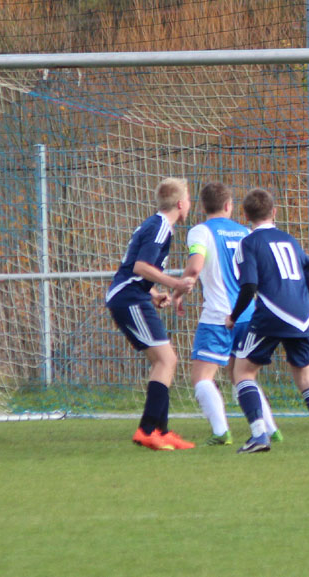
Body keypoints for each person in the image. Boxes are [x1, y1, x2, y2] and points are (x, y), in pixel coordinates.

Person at [226, 188, 309, 453]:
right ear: (274, 212)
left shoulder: (249, 243)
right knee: (305, 376)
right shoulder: (290, 239)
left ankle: (258, 435)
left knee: (242, 371)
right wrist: (304, 305)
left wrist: (233, 316)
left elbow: (250, 284)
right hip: (302, 315)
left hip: (272, 313)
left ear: (245, 215)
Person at [177, 183, 282, 446]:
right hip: (248, 314)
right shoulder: (246, 232)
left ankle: (221, 431)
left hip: (218, 316)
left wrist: (180, 289)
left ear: (203, 206)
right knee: (243, 376)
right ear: (228, 206)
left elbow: (195, 266)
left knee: (202, 377)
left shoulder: (200, 231)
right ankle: (270, 428)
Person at [105, 177, 197, 451]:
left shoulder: (156, 225)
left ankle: (161, 430)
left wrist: (154, 293)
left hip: (134, 296)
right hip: (128, 299)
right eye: (188, 200)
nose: (189, 204)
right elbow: (141, 267)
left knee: (164, 361)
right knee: (167, 360)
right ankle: (147, 430)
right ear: (181, 204)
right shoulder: (160, 227)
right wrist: (176, 284)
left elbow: (135, 269)